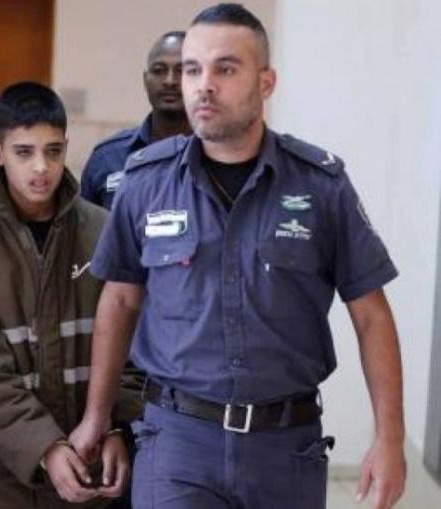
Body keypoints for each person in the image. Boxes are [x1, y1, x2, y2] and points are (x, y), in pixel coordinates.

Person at [69, 4, 406, 509]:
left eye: (225, 69)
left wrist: (389, 438)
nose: (203, 85)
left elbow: (372, 315)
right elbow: (118, 301)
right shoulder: (145, 182)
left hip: (285, 446)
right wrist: (96, 416)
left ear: (266, 82)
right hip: (178, 442)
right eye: (193, 69)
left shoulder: (321, 186)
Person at [0, 82, 141, 508]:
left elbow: (134, 348)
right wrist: (45, 448)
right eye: (24, 152)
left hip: (88, 471)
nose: (41, 167)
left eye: (53, 151)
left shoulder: (103, 231)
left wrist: (118, 428)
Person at [80, 31, 192, 210]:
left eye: (182, 71)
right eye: (159, 70)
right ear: (145, 80)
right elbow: (85, 223)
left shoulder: (221, 154)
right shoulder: (108, 156)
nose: (170, 81)